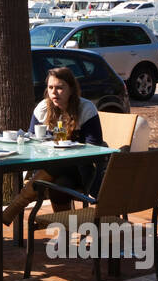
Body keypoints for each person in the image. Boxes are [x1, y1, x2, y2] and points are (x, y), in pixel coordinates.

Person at [26, 67, 106, 212]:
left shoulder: (86, 109)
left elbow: (94, 147)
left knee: (54, 182)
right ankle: (65, 229)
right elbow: (31, 141)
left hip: (80, 168)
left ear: (71, 89)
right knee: (59, 185)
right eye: (50, 87)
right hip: (50, 167)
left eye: (59, 88)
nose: (53, 92)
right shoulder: (43, 108)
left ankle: (15, 207)